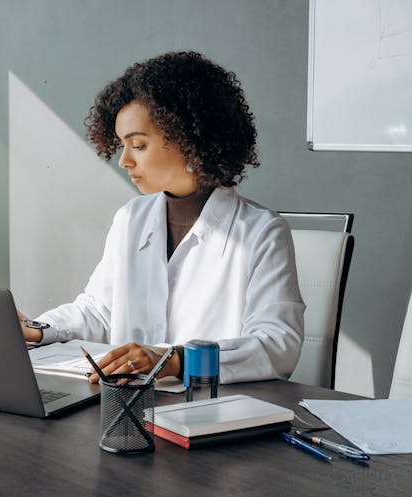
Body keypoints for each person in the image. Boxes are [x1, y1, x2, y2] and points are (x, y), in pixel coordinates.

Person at [19, 51, 305, 384]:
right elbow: (99, 310)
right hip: (126, 407)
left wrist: (176, 359)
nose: (124, 160)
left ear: (190, 140)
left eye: (138, 145)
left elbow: (277, 345)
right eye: (121, 145)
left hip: (209, 412)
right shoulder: (131, 218)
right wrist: (35, 329)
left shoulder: (261, 232)